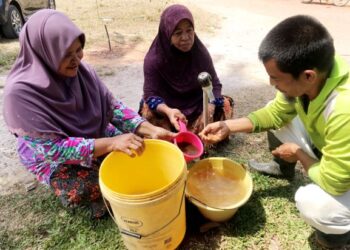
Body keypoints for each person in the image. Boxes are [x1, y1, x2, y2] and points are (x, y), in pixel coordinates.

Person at [3, 9, 176, 219]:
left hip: (93, 133)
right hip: (51, 156)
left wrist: (150, 129)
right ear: (44, 53)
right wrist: (112, 144)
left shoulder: (83, 73)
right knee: (86, 186)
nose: (76, 59)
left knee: (139, 149)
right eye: (66, 54)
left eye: (79, 50)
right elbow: (53, 150)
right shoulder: (21, 94)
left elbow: (113, 107)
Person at [199, 15, 350, 248]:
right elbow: (276, 114)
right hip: (335, 151)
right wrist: (228, 127)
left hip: (342, 176)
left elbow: (334, 182)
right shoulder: (319, 68)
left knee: (311, 202)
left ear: (308, 75)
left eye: (276, 78)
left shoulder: (344, 108)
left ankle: (337, 234)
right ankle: (283, 169)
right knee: (279, 115)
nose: (271, 83)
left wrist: (299, 153)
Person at [139, 4, 234, 134]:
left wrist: (209, 107)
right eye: (178, 33)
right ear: (167, 34)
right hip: (169, 113)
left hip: (197, 106)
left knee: (224, 104)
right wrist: (168, 111)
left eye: (189, 30)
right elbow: (150, 95)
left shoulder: (200, 53)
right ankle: (173, 135)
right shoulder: (154, 59)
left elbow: (214, 84)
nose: (185, 38)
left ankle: (195, 133)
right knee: (148, 111)